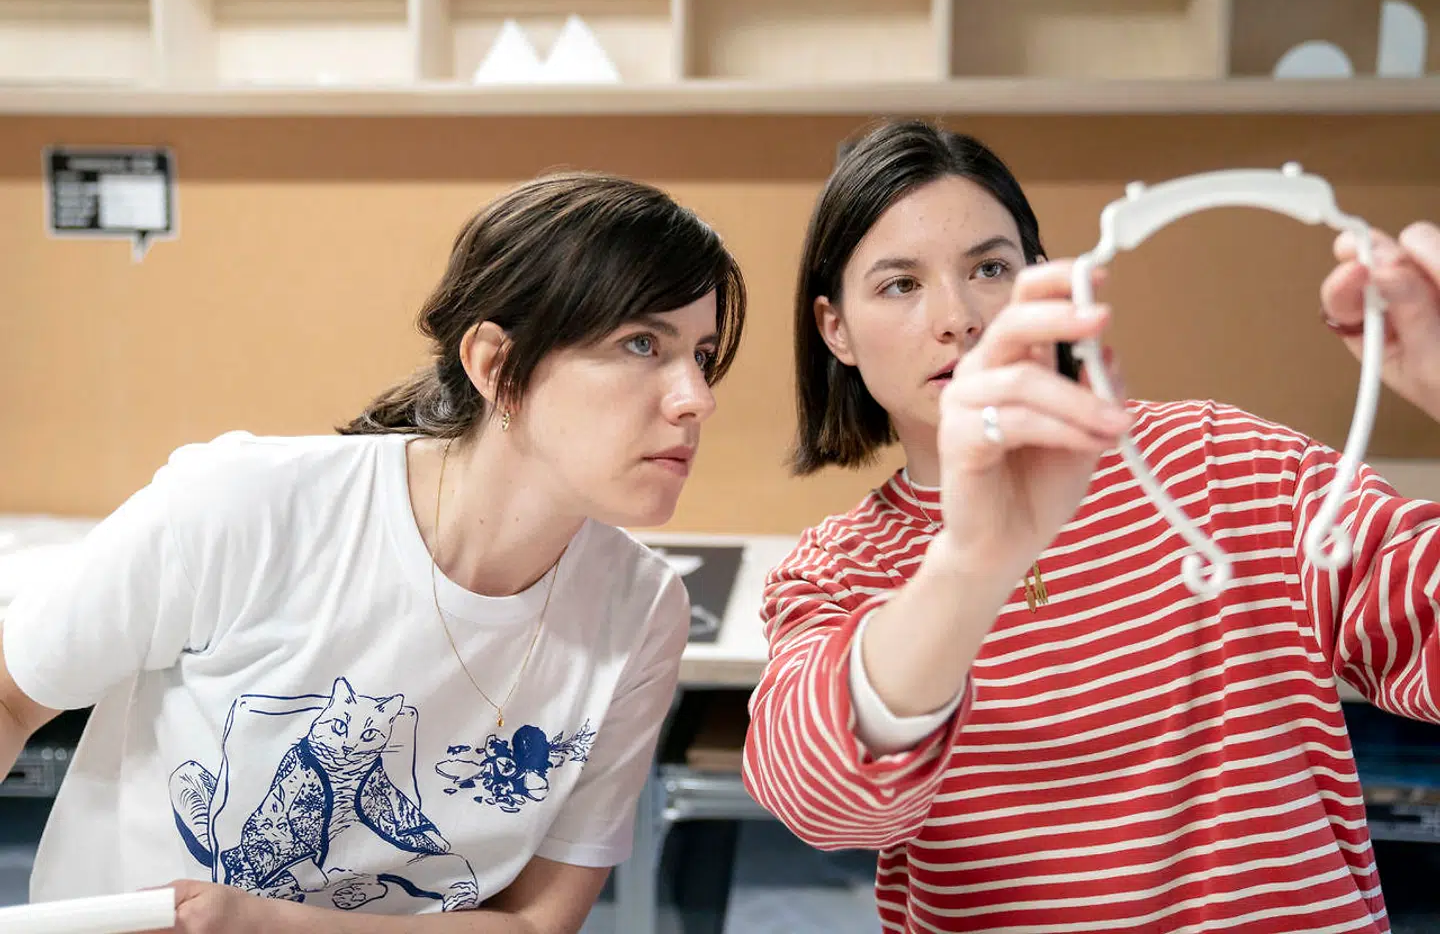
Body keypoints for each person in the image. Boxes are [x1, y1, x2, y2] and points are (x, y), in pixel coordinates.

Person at [740, 117, 1440, 933]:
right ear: (836, 330)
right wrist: (972, 562)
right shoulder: (836, 569)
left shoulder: (1228, 463)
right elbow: (817, 804)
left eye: (990, 269)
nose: (957, 317)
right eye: (900, 284)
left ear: (1044, 284)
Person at [0, 170, 746, 932]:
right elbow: (9, 694)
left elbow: (532, 924)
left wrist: (266, 924)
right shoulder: (245, 505)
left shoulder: (641, 608)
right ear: (496, 365)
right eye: (642, 343)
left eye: (703, 353)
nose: (697, 397)